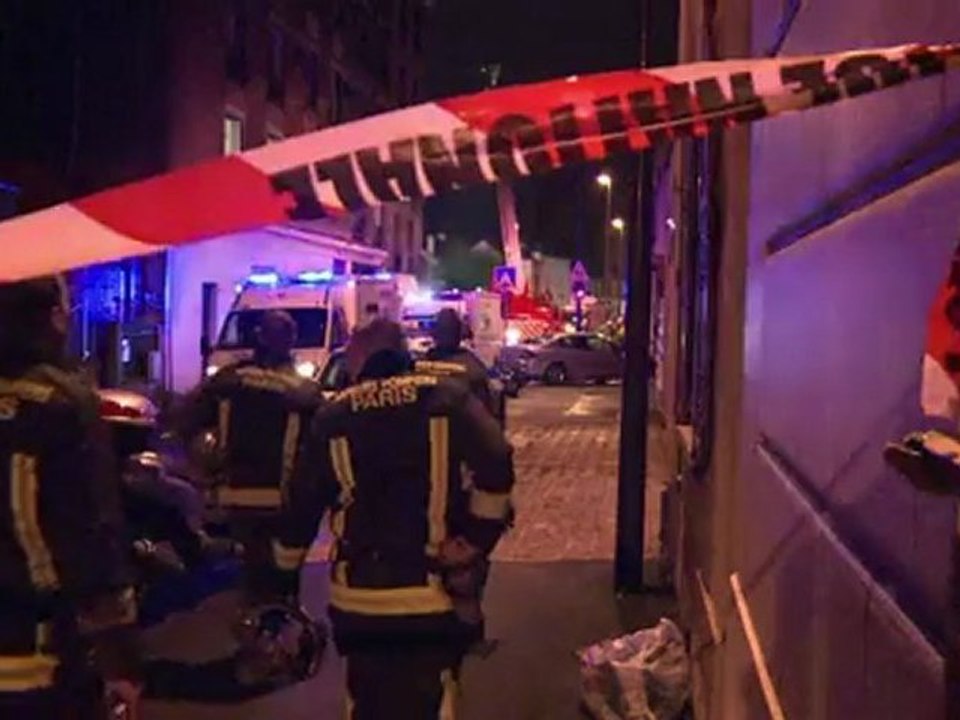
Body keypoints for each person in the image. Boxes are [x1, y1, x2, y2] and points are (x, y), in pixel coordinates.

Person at [262, 319, 515, 718]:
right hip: (430, 593)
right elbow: (497, 466)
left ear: (361, 357)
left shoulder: (333, 415)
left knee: (364, 696)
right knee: (434, 695)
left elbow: (301, 509)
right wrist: (474, 540)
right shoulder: (447, 399)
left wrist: (282, 580)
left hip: (358, 601)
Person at [0, 276, 141, 719]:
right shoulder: (61, 404)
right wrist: (119, 659)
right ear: (52, 319)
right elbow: (90, 533)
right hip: (31, 649)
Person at [176, 310, 322, 602]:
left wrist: (202, 468)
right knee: (281, 577)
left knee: (247, 575)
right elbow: (319, 447)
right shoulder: (305, 393)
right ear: (291, 341)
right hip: (282, 500)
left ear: (258, 338)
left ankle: (251, 615)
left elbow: (185, 422)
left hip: (235, 498)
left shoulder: (227, 381)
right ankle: (279, 616)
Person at [417, 308, 495, 417]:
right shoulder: (473, 367)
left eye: (446, 332)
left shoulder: (420, 367)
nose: (445, 336)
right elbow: (486, 413)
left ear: (434, 334)